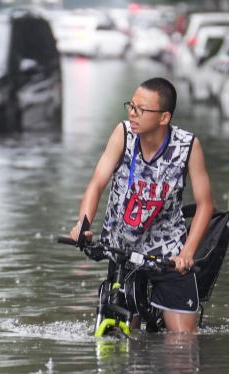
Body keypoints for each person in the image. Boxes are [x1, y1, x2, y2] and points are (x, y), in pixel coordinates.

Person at [69, 77, 214, 333]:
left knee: (183, 344)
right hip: (124, 251)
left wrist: (187, 253)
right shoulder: (123, 134)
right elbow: (97, 183)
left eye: (141, 110)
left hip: (168, 252)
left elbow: (205, 205)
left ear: (164, 118)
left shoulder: (188, 146)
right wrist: (84, 223)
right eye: (131, 106)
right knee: (121, 339)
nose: (132, 114)